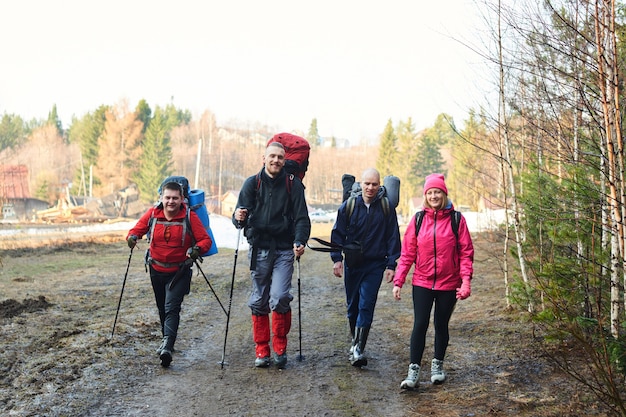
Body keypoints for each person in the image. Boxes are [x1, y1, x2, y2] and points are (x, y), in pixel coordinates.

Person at [232, 141, 311, 369]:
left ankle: (279, 347)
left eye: (280, 157)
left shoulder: (292, 184)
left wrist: (300, 240)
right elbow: (239, 218)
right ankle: (262, 350)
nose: (276, 160)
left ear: (284, 160)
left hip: (285, 249)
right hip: (259, 249)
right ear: (263, 158)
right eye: (272, 156)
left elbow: (302, 218)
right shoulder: (252, 183)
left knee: (279, 297)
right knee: (259, 299)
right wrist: (238, 216)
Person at [392, 173, 474, 389]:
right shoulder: (418, 220)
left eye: (437, 191)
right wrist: (399, 281)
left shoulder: (457, 220)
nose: (434, 195)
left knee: (441, 324)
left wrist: (465, 281)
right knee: (419, 324)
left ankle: (437, 366)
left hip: (449, 283)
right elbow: (408, 253)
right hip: (422, 282)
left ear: (444, 194)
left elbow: (466, 253)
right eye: (430, 192)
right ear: (425, 196)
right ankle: (413, 371)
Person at [126, 181, 213, 368]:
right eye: (167, 197)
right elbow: (136, 230)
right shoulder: (152, 214)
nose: (171, 201)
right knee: (161, 307)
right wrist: (132, 238)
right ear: (161, 198)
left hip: (179, 271)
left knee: (171, 307)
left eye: (175, 198)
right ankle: (167, 340)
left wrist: (196, 249)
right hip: (156, 269)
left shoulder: (189, 216)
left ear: (182, 199)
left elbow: (205, 240)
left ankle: (167, 346)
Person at [330, 168, 401, 367]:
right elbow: (337, 234)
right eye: (367, 184)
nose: (370, 188)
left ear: (380, 186)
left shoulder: (386, 207)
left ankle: (359, 349)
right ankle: (355, 342)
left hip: (375, 265)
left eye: (374, 184)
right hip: (353, 264)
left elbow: (393, 238)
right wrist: (337, 259)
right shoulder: (349, 206)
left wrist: (391, 264)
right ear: (361, 184)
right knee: (352, 307)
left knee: (366, 305)